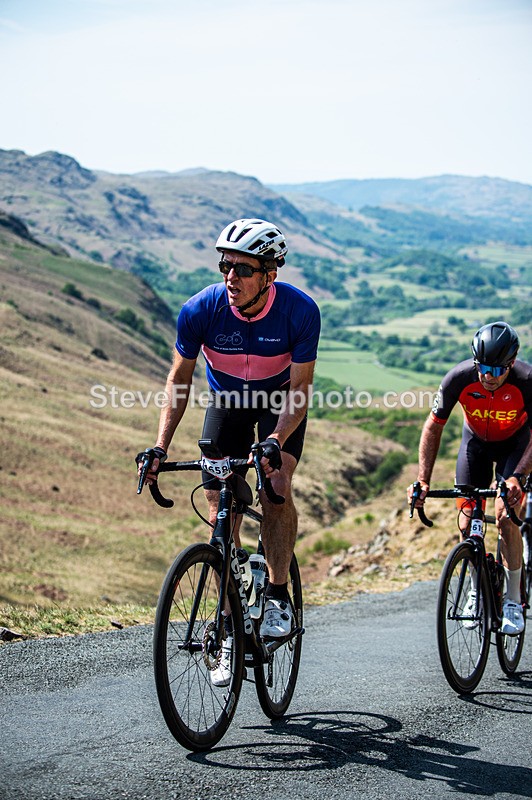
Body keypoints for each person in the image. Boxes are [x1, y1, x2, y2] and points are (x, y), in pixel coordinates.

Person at [138, 218, 320, 683]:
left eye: (242, 268)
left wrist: (275, 441)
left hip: (279, 403)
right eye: (225, 265)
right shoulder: (201, 309)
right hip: (227, 403)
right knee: (221, 505)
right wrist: (160, 447)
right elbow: (178, 381)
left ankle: (278, 596)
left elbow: (300, 391)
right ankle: (228, 624)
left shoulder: (300, 312)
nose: (230, 277)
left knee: (275, 485)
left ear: (269, 273)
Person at [408, 321, 532, 635]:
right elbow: (433, 427)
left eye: (496, 369)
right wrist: (423, 479)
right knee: (466, 523)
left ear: (511, 364)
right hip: (475, 445)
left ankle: (514, 600)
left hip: (515, 448)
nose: (488, 376)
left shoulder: (527, 381)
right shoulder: (458, 379)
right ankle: (477, 587)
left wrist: (518, 476)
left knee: (506, 518)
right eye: (482, 367)